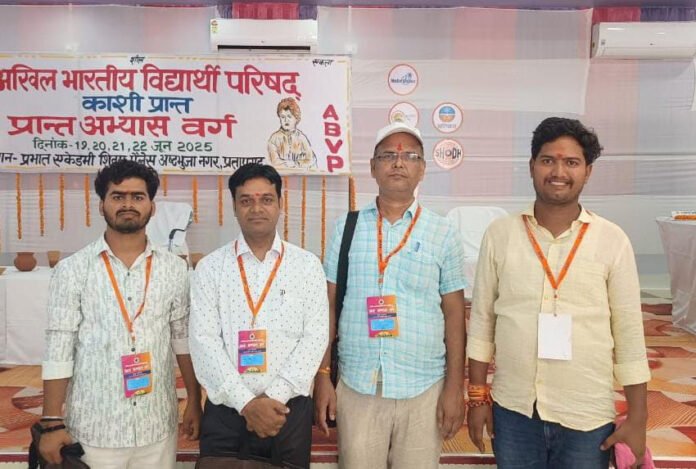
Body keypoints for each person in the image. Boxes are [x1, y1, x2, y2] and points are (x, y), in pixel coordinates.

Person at [467, 117, 651, 468]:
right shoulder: (500, 235)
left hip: (586, 414)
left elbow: (629, 334)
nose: (558, 172)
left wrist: (639, 418)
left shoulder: (612, 240)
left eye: (572, 162)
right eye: (548, 160)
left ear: (588, 171)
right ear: (531, 166)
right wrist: (477, 399)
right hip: (514, 410)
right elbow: (481, 323)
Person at [314, 121, 468, 469]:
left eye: (409, 156)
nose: (398, 163)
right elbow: (328, 306)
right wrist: (323, 375)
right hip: (359, 386)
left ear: (422, 169)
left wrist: (454, 387)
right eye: (388, 156)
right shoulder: (347, 227)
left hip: (424, 387)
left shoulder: (443, 232)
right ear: (372, 167)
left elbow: (455, 314)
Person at [39, 159, 201, 468]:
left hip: (156, 425)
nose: (128, 204)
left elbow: (182, 339)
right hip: (95, 428)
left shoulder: (174, 269)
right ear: (102, 205)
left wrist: (194, 398)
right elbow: (58, 347)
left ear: (152, 206)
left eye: (138, 196)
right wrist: (51, 421)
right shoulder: (72, 270)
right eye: (118, 196)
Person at [190, 163, 328, 469]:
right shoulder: (211, 268)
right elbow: (203, 341)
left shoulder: (306, 266)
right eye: (246, 200)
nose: (256, 208)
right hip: (227, 414)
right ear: (234, 207)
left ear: (280, 204)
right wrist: (247, 404)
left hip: (287, 412)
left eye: (266, 199)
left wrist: (273, 398)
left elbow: (315, 336)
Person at [267, 97, 317, 170]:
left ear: (296, 118)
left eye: (289, 116)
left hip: (300, 175)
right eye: (283, 117)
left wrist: (295, 164)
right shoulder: (274, 138)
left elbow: (311, 159)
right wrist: (288, 164)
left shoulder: (301, 137)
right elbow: (274, 162)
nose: (286, 120)